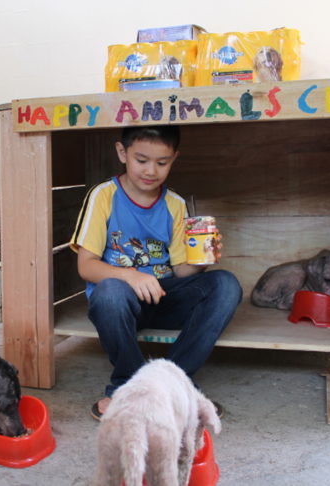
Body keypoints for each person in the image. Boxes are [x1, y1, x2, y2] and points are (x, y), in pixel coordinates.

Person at [69, 125, 243, 420]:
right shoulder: (104, 196)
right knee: (109, 291)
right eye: (142, 160)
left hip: (164, 296)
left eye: (162, 163)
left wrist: (202, 259)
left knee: (226, 284)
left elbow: (179, 270)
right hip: (122, 302)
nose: (151, 170)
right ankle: (128, 385)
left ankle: (173, 382)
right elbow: (86, 266)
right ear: (122, 153)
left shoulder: (174, 204)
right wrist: (131, 276)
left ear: (174, 158)